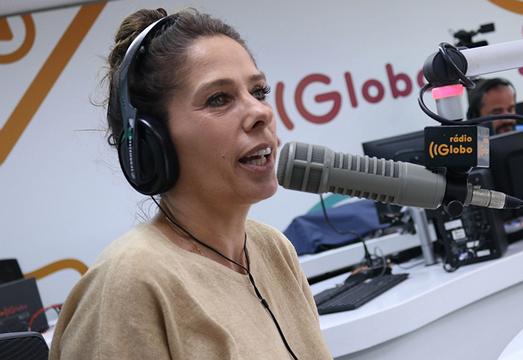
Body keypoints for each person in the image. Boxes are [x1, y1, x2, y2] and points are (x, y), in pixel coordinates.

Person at [49, 8, 332, 360]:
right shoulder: (129, 283)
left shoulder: (271, 248)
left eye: (258, 91)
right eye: (218, 99)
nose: (262, 113)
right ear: (153, 140)